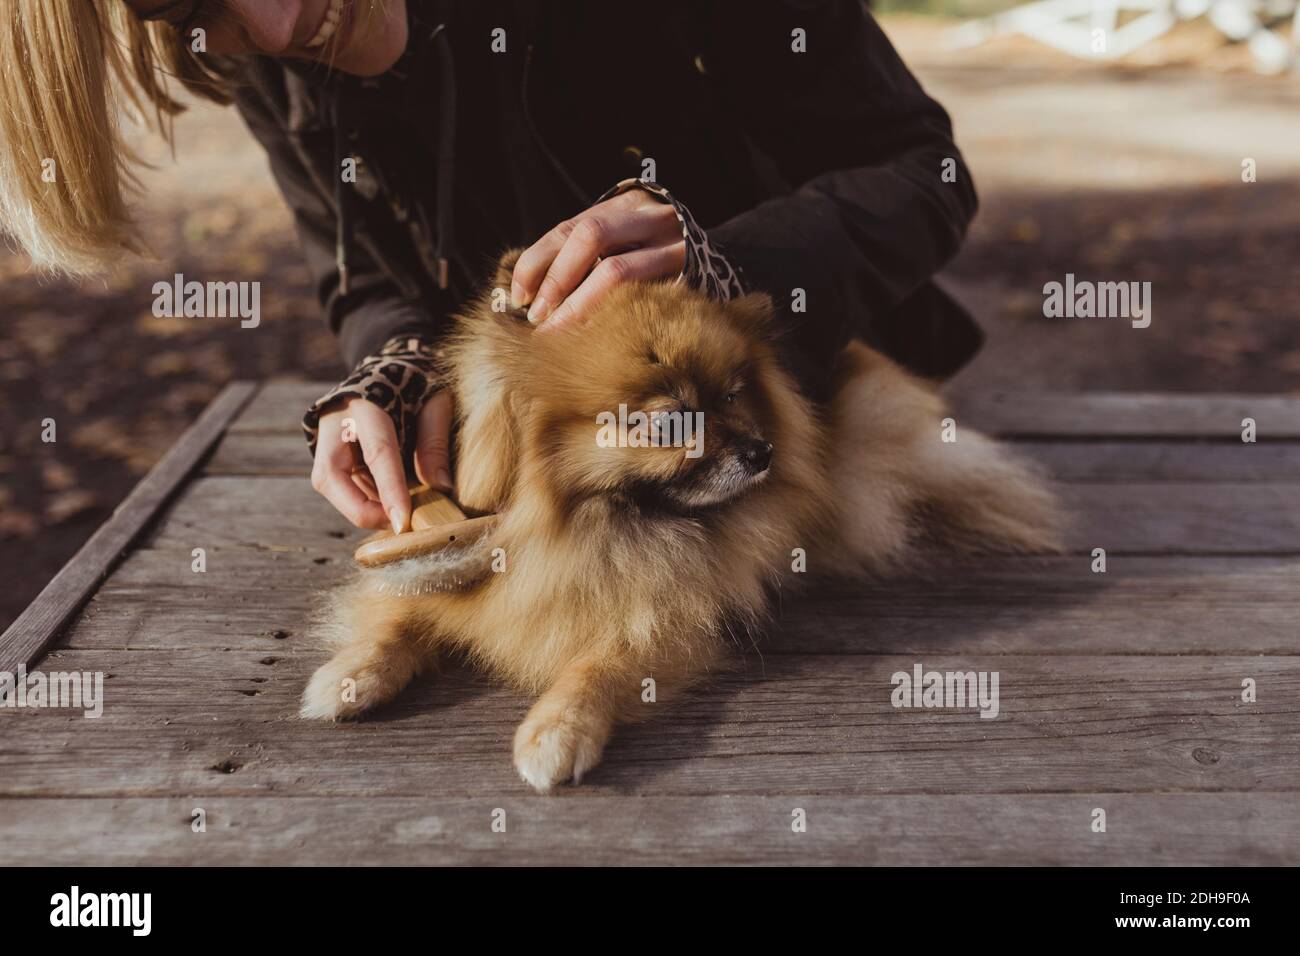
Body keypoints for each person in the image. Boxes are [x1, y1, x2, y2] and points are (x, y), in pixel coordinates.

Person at [0, 0, 982, 534]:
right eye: (182, 11)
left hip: (821, 436)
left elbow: (925, 174)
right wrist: (390, 368)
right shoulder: (260, 55)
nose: (260, 31)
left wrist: (734, 261)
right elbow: (375, 282)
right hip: (567, 505)